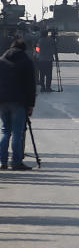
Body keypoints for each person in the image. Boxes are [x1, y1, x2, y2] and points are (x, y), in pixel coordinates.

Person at [0, 38, 37, 170]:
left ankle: (2, 161)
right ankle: (16, 162)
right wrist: (31, 104)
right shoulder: (26, 61)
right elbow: (31, 85)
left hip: (3, 101)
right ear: (23, 49)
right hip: (19, 101)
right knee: (17, 133)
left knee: (5, 131)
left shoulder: (2, 60)